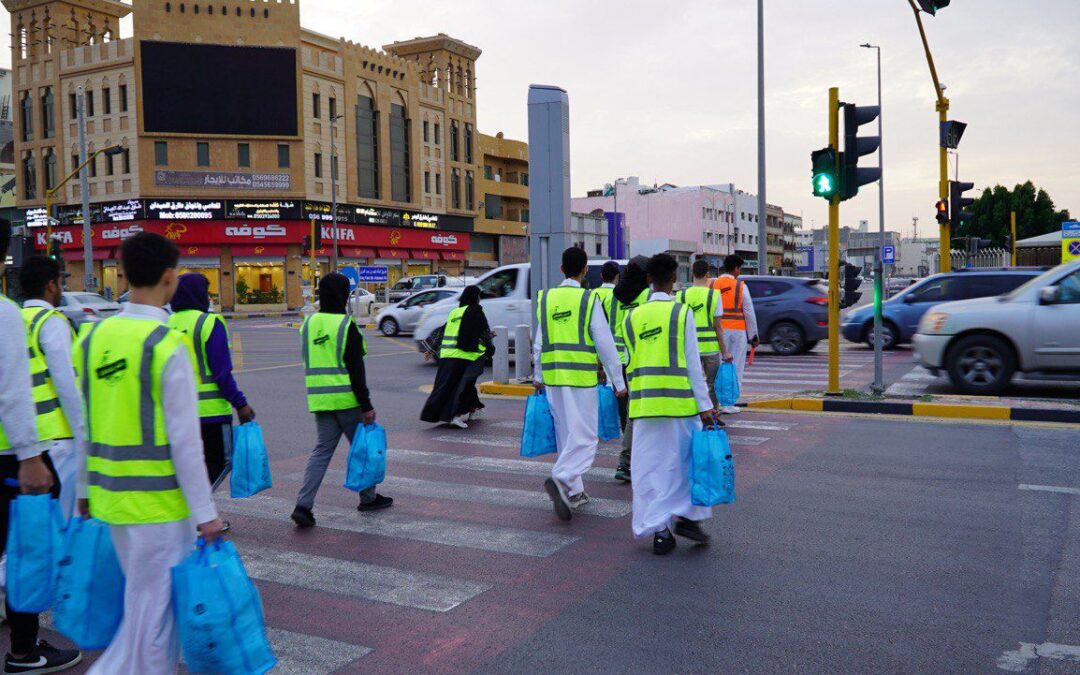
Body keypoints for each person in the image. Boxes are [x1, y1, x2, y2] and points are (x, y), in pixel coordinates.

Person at [75, 232, 224, 674]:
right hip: (158, 506)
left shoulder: (91, 338)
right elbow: (184, 443)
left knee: (141, 608)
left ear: (123, 274)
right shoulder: (164, 345)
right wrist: (206, 514)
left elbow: (85, 422)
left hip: (109, 499)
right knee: (157, 619)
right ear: (169, 278)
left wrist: (83, 489)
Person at [0, 224, 82, 674]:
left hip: (29, 445)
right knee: (30, 547)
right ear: (51, 285)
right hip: (34, 447)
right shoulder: (35, 320)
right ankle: (24, 651)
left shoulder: (19, 317)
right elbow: (57, 387)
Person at [624, 253, 719, 555]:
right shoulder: (681, 314)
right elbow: (693, 365)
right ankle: (689, 517)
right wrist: (705, 406)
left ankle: (661, 530)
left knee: (649, 470)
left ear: (649, 280)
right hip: (680, 406)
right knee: (683, 466)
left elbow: (630, 363)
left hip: (645, 407)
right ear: (674, 279)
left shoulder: (632, 317)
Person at [533, 247, 626, 521]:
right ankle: (561, 477)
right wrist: (617, 381)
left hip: (552, 378)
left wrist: (537, 376)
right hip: (580, 378)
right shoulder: (588, 299)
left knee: (566, 435)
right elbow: (605, 343)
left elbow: (539, 342)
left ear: (561, 269)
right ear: (585, 270)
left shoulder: (546, 298)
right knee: (585, 437)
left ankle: (574, 492)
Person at [292, 273, 391, 528]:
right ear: (343, 296)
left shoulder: (308, 324)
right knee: (363, 449)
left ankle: (303, 505)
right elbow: (357, 371)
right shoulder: (347, 326)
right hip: (348, 400)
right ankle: (368, 498)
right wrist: (366, 405)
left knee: (321, 452)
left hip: (320, 401)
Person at [167, 273, 255, 490]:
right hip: (210, 412)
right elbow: (222, 372)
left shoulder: (168, 323)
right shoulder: (208, 322)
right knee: (221, 462)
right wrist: (240, 404)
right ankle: (199, 515)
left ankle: (193, 516)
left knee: (189, 466)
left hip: (178, 411)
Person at [17, 256, 84, 522]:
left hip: (24, 441)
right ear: (50, 285)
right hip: (57, 439)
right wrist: (84, 432)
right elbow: (67, 383)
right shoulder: (51, 321)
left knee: (31, 525)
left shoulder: (17, 319)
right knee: (63, 523)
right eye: (60, 283)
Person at [421, 286, 493, 429]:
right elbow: (483, 331)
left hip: (447, 355)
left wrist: (431, 349)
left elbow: (443, 330)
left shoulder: (455, 312)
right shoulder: (476, 310)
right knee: (462, 385)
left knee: (454, 385)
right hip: (465, 355)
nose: (479, 299)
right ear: (474, 297)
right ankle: (455, 415)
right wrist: (490, 349)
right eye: (478, 296)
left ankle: (474, 409)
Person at [610, 255, 651, 483]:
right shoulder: (647, 295)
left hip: (619, 359)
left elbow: (609, 327)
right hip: (639, 358)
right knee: (638, 412)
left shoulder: (616, 295)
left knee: (629, 414)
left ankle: (626, 462)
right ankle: (629, 463)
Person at [677, 259, 733, 408]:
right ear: (707, 274)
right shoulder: (714, 295)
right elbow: (718, 326)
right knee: (712, 384)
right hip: (710, 347)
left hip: (688, 348)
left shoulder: (681, 296)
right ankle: (712, 416)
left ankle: (693, 414)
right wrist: (725, 351)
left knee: (690, 382)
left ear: (691, 273)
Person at [710, 255, 759, 413]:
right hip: (737, 332)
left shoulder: (712, 284)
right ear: (736, 269)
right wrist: (754, 335)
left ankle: (715, 403)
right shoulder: (740, 286)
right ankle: (729, 404)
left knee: (718, 368)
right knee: (735, 367)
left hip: (718, 331)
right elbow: (749, 311)